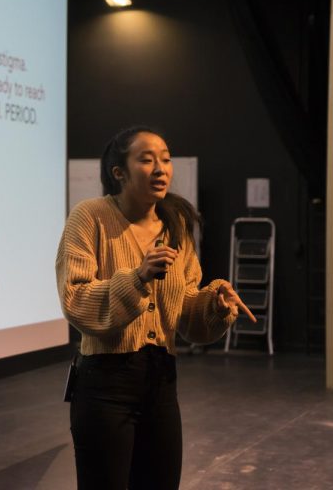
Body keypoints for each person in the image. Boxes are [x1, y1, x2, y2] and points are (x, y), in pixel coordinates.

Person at [56, 126, 256, 489]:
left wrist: (214, 303)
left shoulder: (176, 225)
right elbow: (76, 299)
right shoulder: (89, 217)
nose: (161, 168)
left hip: (161, 383)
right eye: (147, 160)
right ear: (120, 172)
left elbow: (186, 316)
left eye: (166, 159)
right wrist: (137, 278)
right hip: (105, 385)